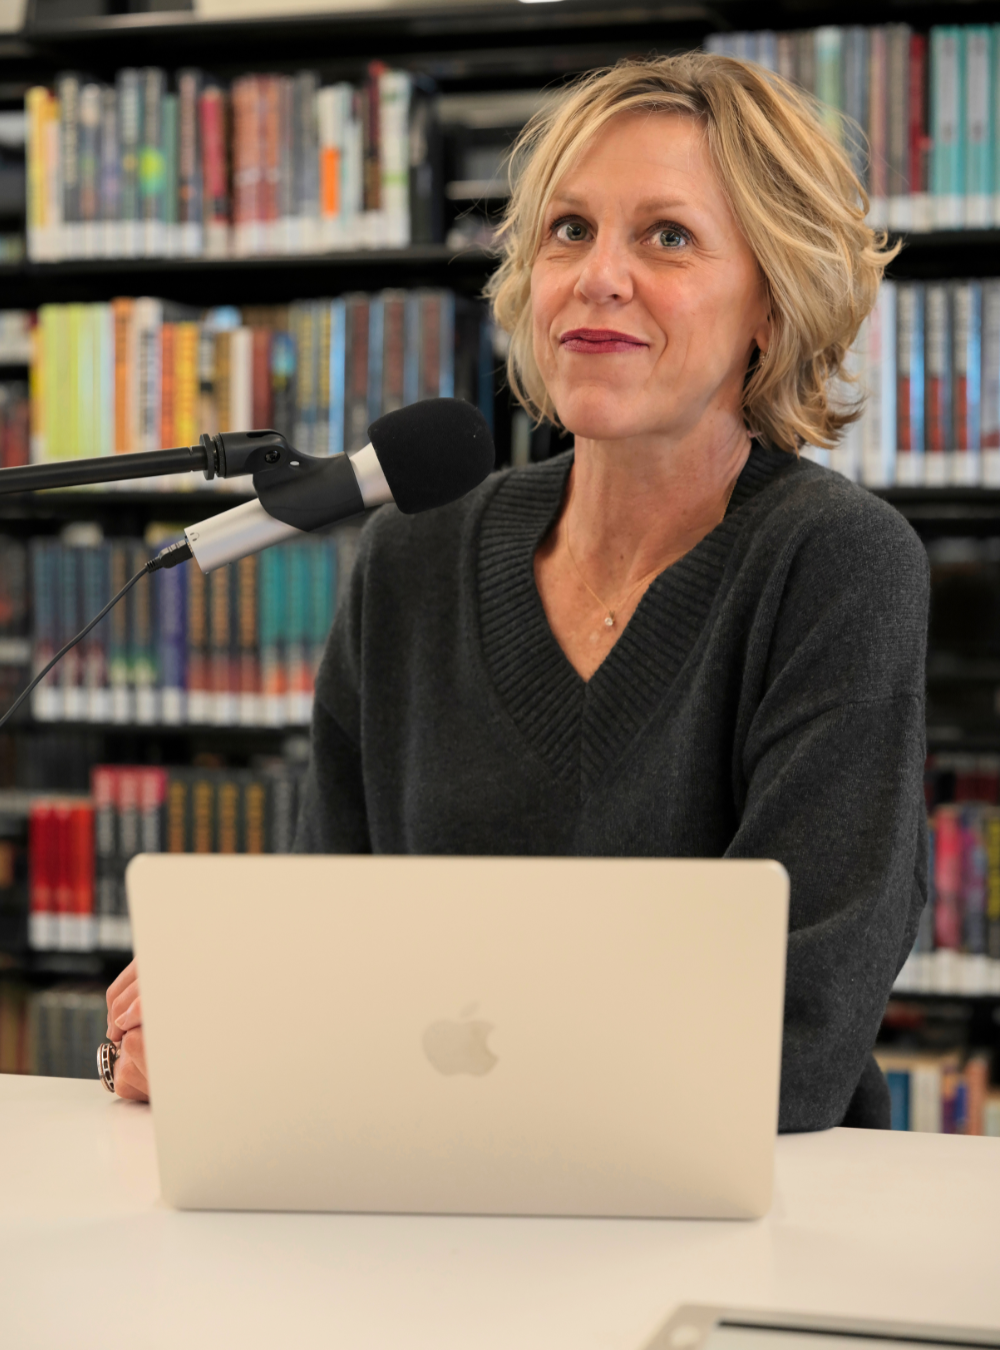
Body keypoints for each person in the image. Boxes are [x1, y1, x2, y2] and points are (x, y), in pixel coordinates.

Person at [106, 53, 929, 1131]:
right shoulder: (411, 556)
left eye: (668, 237)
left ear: (773, 301)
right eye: (568, 230)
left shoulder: (837, 567)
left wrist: (292, 1050)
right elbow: (330, 944)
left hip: (736, 1226)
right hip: (420, 1205)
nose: (598, 276)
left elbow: (791, 1039)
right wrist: (225, 1015)